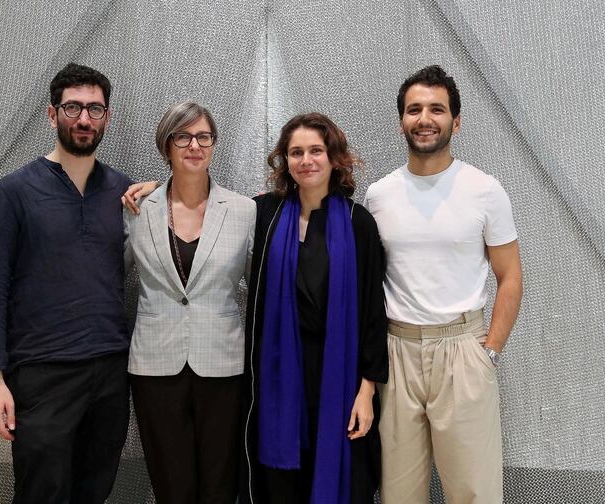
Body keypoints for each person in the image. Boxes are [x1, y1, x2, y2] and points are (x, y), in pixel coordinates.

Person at [0, 63, 134, 503]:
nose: (84, 119)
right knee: (42, 493)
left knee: (94, 492)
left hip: (111, 374)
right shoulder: (14, 192)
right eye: (73, 107)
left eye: (95, 109)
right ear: (52, 113)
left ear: (108, 117)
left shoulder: (123, 191)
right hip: (41, 376)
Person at [365, 65, 523, 503]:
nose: (425, 118)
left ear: (456, 120)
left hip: (463, 350)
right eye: (414, 109)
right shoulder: (379, 196)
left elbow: (510, 275)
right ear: (401, 121)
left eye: (437, 108)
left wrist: (489, 350)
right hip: (396, 356)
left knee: (475, 490)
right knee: (398, 492)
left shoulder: (485, 190)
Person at [240, 113, 388, 504]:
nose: (306, 160)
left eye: (316, 151)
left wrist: (367, 390)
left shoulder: (359, 224)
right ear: (285, 161)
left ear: (334, 157)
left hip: (338, 372)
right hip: (280, 371)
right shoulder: (265, 215)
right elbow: (204, 204)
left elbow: (374, 311)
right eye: (296, 152)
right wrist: (153, 189)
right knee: (282, 481)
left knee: (341, 470)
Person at [123, 101, 255, 504]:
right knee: (170, 483)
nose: (194, 145)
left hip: (223, 364)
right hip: (154, 365)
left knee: (219, 482)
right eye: (183, 136)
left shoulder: (244, 210)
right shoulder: (137, 207)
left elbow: (263, 282)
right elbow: (110, 274)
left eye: (203, 137)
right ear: (167, 146)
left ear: (214, 145)